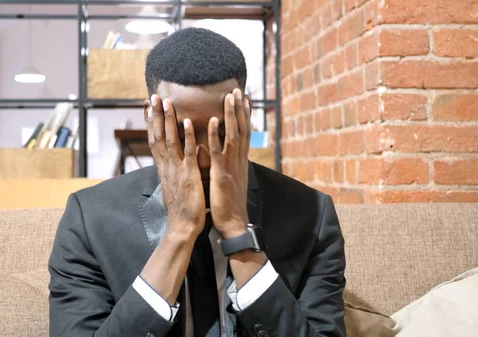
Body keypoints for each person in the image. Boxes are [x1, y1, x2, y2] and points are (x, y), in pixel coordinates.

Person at [48, 27, 346, 337]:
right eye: (181, 133)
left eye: (220, 133)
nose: (202, 157)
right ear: (151, 119)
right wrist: (178, 233)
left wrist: (237, 233)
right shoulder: (90, 217)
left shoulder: (311, 214)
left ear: (245, 115)